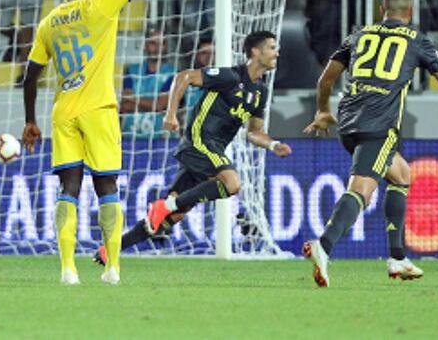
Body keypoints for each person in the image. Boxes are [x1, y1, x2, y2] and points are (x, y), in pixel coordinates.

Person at [22, 0, 179, 286]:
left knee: (68, 188)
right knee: (106, 185)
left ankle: (68, 269)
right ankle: (112, 268)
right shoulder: (101, 5)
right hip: (98, 109)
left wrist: (29, 120)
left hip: (62, 113)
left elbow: (30, 74)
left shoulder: (49, 21)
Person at [302, 0, 438, 288]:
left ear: (382, 9)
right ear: (410, 11)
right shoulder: (417, 40)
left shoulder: (358, 35)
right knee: (361, 191)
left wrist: (322, 112)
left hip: (348, 121)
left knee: (401, 174)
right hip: (378, 127)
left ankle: (397, 258)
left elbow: (325, 79)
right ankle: (323, 246)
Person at [96, 31, 292, 264]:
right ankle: (164, 205)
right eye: (271, 48)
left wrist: (273, 144)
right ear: (255, 52)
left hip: (213, 148)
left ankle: (112, 248)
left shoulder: (260, 92)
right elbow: (184, 76)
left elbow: (254, 132)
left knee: (174, 215)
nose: (277, 52)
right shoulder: (230, 76)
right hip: (200, 140)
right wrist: (170, 114)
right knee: (232, 183)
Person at [119, 29, 175, 137]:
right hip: (130, 136)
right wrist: (152, 106)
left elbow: (160, 105)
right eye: (153, 43)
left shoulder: (173, 74)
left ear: (166, 46)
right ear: (145, 45)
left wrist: (133, 98)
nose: (157, 48)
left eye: (161, 43)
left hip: (159, 138)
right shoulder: (132, 70)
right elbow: (125, 106)